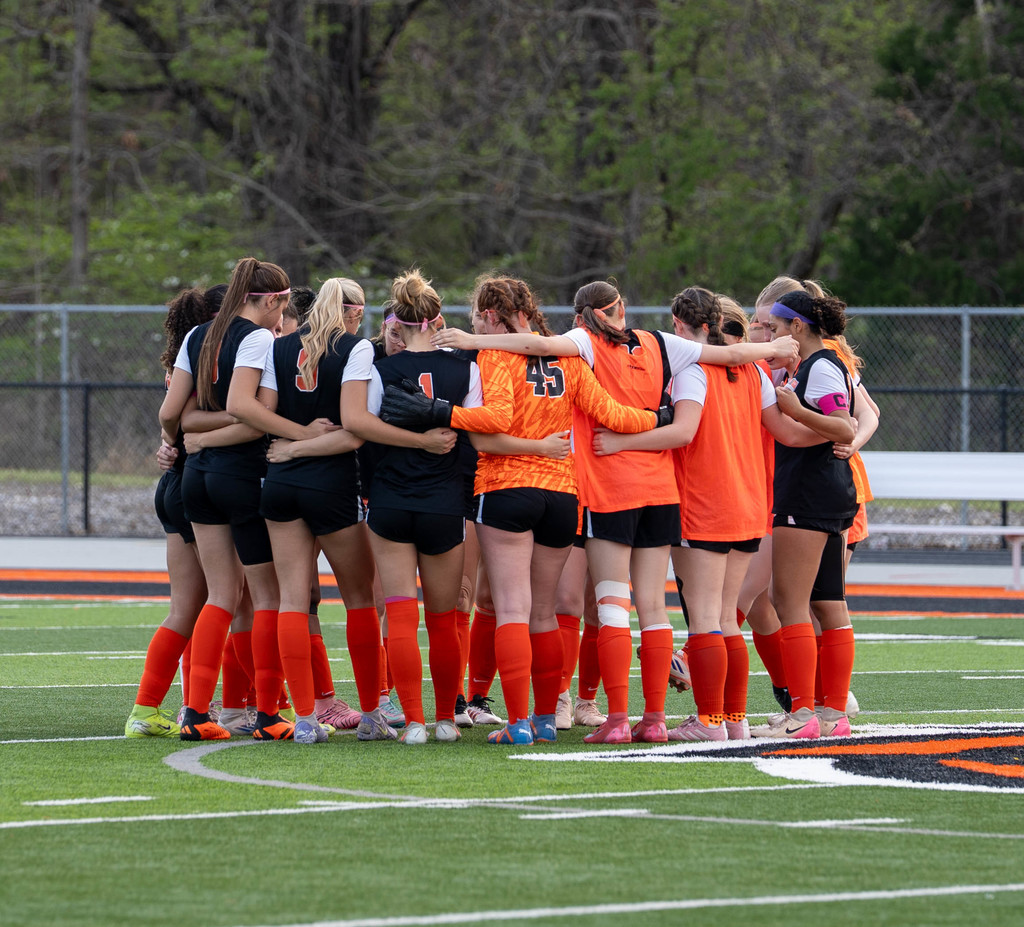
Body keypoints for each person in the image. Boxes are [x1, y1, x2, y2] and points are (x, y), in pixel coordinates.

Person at [432, 279, 799, 743]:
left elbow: (532, 349)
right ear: (622, 307)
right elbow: (726, 358)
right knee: (654, 610)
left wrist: (463, 362)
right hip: (656, 491)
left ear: (583, 316)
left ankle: (601, 718)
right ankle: (654, 719)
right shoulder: (658, 343)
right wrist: (772, 351)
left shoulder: (581, 344)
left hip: (596, 489)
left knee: (591, 607)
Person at [384, 275, 665, 744]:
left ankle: (518, 725)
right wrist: (658, 417)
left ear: (491, 316)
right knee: (545, 614)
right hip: (561, 494)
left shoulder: (495, 354)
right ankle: (545, 719)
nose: (474, 324)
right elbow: (613, 414)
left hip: (507, 486)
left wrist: (438, 411)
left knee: (511, 608)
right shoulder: (568, 356)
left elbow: (492, 420)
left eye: (477, 316)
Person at [592, 286, 825, 742]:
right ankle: (732, 720)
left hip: (704, 503)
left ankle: (709, 721)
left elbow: (683, 432)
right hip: (748, 504)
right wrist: (842, 430)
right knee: (724, 618)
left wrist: (622, 442)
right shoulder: (752, 371)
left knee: (703, 620)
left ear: (682, 327)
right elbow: (788, 433)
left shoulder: (692, 369)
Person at [228, 277, 395, 744]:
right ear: (355, 311)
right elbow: (354, 432)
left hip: (280, 487)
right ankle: (371, 714)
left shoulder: (278, 348)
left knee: (291, 601)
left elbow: (260, 412)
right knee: (360, 598)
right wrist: (307, 446)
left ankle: (302, 717)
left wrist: (291, 444)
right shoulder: (356, 349)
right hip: (331, 485)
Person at [161, 257, 320, 741]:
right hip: (243, 477)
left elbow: (175, 414)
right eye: (283, 306)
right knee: (269, 596)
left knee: (221, 596)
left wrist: (191, 438)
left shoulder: (198, 335)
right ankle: (269, 714)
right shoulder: (258, 339)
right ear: (270, 300)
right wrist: (299, 433)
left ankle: (195, 712)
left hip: (197, 480)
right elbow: (250, 412)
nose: (283, 317)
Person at [343, 269, 467, 745]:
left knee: (399, 616)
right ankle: (446, 721)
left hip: (392, 500)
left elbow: (362, 429)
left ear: (399, 320)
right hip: (443, 502)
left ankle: (412, 720)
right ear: (436, 319)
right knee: (442, 620)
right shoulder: (465, 368)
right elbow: (478, 429)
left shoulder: (378, 368)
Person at [755, 288, 858, 739]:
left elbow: (844, 425)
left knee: (789, 601)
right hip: (828, 493)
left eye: (775, 327)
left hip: (810, 495)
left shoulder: (820, 366)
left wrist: (794, 408)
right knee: (827, 603)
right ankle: (832, 714)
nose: (772, 335)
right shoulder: (818, 366)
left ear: (797, 326)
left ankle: (803, 714)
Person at [125, 284, 225, 738]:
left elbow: (172, 419)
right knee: (230, 599)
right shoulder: (214, 355)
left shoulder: (184, 355)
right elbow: (182, 417)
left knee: (187, 606)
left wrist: (168, 445)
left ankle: (149, 710)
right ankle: (213, 709)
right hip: (197, 482)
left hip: (174, 482)